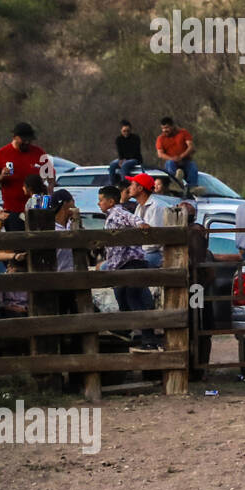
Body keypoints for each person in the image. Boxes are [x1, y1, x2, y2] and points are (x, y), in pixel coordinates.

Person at [97, 184, 163, 352]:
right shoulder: (110, 216)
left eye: (101, 200)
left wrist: (141, 224)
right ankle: (126, 329)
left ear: (111, 201)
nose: (99, 204)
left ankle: (149, 339)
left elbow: (131, 218)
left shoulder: (118, 212)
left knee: (134, 298)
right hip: (121, 264)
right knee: (121, 294)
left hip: (131, 262)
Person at [0, 122, 52, 230]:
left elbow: (50, 176)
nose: (27, 142)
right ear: (15, 137)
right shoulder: (2, 154)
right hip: (13, 211)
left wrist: (49, 192)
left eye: (29, 140)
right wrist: (1, 176)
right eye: (23, 139)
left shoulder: (39, 153)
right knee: (18, 244)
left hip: (37, 210)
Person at [124, 173, 166, 267]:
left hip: (158, 254)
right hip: (145, 251)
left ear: (140, 188)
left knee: (129, 265)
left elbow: (156, 240)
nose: (129, 188)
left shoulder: (156, 207)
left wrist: (137, 251)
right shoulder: (139, 206)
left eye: (132, 185)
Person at [155, 117, 198, 195]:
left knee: (192, 166)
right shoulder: (161, 138)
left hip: (185, 160)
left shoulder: (183, 133)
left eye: (167, 127)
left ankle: (192, 187)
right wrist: (172, 158)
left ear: (172, 126)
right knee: (170, 163)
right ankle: (175, 182)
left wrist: (181, 156)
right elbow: (160, 154)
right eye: (163, 128)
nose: (165, 130)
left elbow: (191, 147)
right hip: (171, 161)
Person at [109, 120, 144, 186]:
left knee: (125, 165)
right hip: (124, 158)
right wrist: (121, 159)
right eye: (124, 131)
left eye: (128, 131)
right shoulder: (119, 139)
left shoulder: (135, 138)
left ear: (130, 130)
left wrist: (124, 160)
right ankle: (112, 184)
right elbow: (120, 151)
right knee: (112, 165)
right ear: (121, 130)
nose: (126, 133)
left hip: (135, 158)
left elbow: (135, 151)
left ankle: (124, 185)